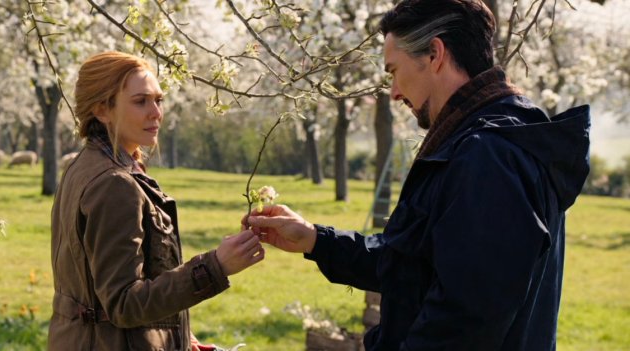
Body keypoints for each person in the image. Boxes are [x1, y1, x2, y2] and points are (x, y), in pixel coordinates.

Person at [245, 0, 590, 350]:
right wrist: (316, 240)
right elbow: (415, 262)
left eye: (393, 70)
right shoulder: (486, 143)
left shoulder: (489, 156)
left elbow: (462, 323)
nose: (394, 92)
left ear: (434, 54)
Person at [49, 51, 264, 351]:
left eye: (158, 100)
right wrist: (216, 266)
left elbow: (111, 292)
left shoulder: (87, 165)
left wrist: (178, 339)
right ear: (102, 110)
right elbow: (123, 303)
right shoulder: (113, 184)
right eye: (140, 101)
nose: (156, 113)